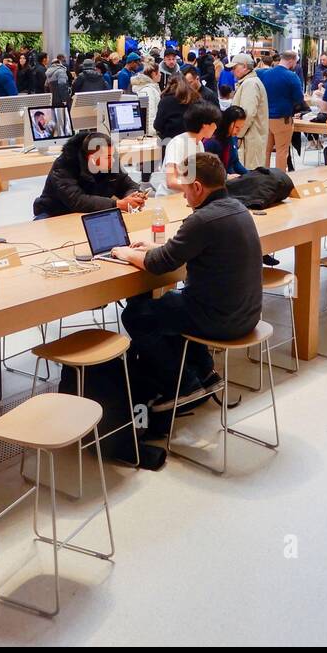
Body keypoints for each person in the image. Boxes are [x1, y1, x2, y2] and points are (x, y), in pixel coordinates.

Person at [115, 153, 263, 417]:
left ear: (197, 187)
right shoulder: (238, 208)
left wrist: (123, 252)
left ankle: (183, 385)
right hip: (247, 315)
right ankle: (205, 373)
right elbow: (184, 250)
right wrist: (155, 247)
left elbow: (159, 265)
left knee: (136, 315)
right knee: (175, 305)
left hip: (221, 321)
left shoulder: (201, 220)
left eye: (185, 190)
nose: (183, 197)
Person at [31, 130, 146, 219]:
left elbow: (128, 184)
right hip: (54, 213)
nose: (113, 161)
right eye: (108, 157)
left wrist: (134, 197)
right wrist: (117, 204)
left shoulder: (111, 162)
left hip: (91, 213)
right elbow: (77, 200)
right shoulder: (65, 165)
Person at [154, 101, 221, 195]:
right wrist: (200, 189)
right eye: (215, 124)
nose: (216, 127)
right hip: (169, 197)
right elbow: (171, 181)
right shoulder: (177, 143)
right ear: (205, 125)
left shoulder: (199, 144)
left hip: (188, 196)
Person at [257, 50, 305, 170]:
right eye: (296, 61)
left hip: (265, 118)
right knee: (282, 152)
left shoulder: (265, 73)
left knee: (265, 151)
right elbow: (299, 98)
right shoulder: (292, 76)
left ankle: (263, 178)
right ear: (291, 60)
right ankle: (280, 180)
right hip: (282, 119)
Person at [230, 53, 269, 168]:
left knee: (250, 175)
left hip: (249, 139)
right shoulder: (249, 82)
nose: (232, 71)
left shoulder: (250, 84)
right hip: (249, 137)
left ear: (245, 67)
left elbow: (247, 114)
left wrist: (238, 134)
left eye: (234, 67)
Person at [204, 105, 248, 176]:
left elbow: (235, 162)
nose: (239, 131)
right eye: (236, 127)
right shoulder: (212, 141)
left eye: (241, 127)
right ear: (228, 123)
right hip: (217, 180)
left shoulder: (233, 138)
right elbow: (207, 170)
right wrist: (227, 177)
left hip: (232, 177)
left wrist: (249, 174)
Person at [154, 76, 199, 142]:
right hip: (192, 141)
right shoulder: (195, 99)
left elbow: (157, 125)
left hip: (169, 142)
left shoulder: (165, 101)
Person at [130, 62, 162, 137]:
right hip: (150, 134)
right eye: (159, 72)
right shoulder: (148, 91)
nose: (160, 74)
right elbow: (150, 114)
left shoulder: (151, 88)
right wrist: (152, 133)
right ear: (154, 74)